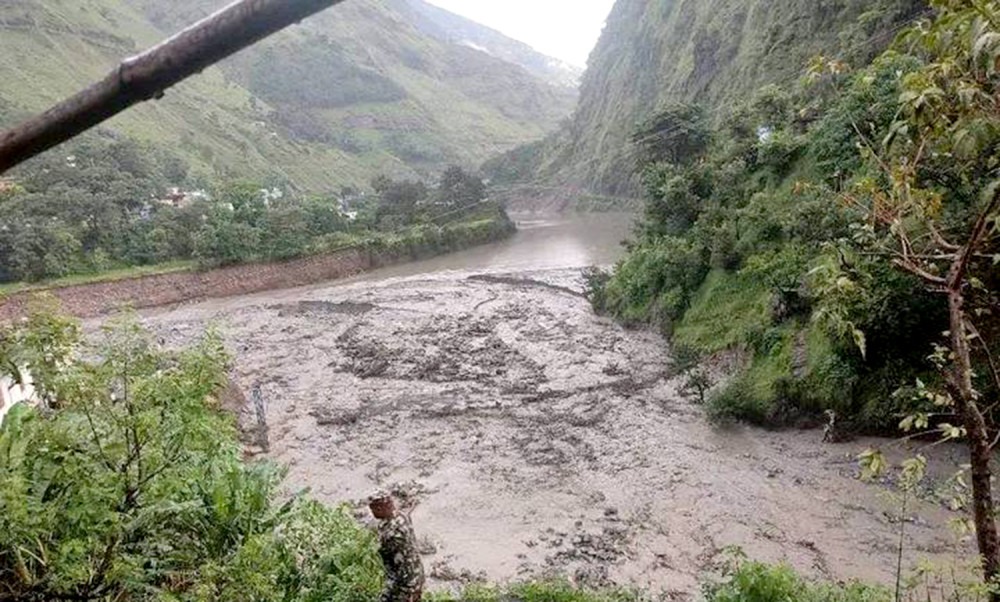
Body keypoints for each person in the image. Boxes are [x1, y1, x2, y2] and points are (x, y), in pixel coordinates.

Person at [369, 489, 425, 602]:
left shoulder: (391, 532)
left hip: (405, 583)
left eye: (374, 509)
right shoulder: (401, 517)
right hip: (417, 574)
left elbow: (379, 554)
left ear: (381, 508)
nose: (373, 513)